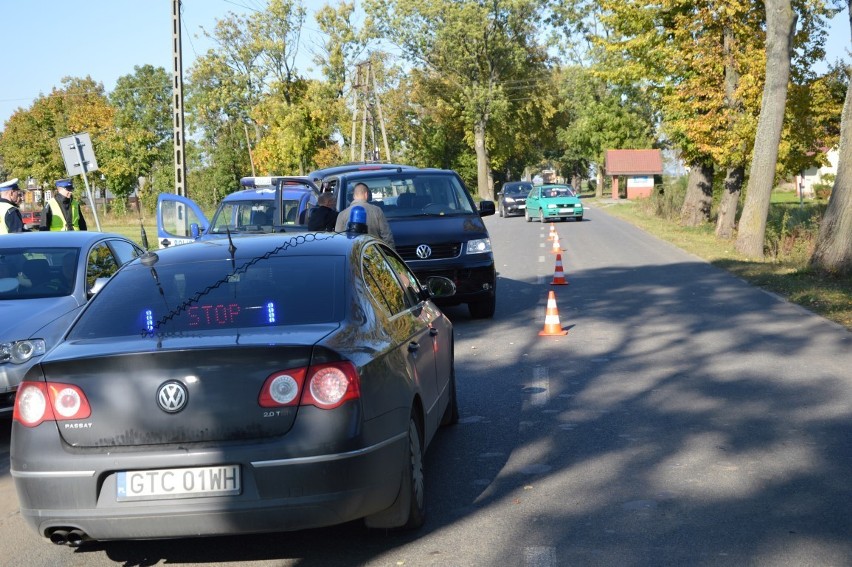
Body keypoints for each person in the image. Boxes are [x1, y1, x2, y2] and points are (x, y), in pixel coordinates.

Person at [334, 183, 395, 247]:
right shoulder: (377, 211)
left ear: (354, 196)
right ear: (366, 194)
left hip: (351, 254)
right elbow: (387, 236)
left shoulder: (342, 214)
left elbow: (338, 240)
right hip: (373, 253)